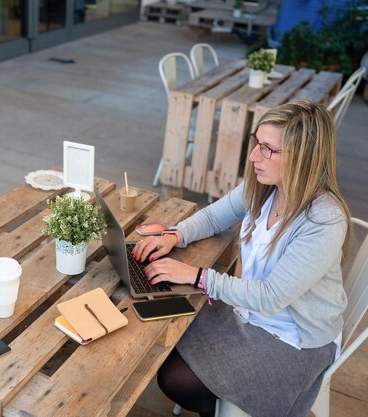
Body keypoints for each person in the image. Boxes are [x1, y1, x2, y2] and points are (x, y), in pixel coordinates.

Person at [132, 101, 350, 417]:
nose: (253, 157)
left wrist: (196, 275)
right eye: (255, 142)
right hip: (247, 312)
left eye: (268, 149)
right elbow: (213, 217)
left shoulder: (324, 221)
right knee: (161, 333)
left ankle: (229, 408)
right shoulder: (264, 186)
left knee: (174, 378)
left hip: (293, 339)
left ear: (303, 157)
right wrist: (174, 235)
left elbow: (271, 297)